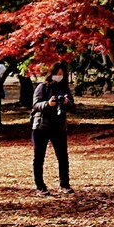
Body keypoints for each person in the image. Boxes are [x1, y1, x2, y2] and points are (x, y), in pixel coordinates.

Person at [31, 62, 76, 194]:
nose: (59, 76)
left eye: (61, 74)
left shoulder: (65, 89)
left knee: (62, 157)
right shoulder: (42, 87)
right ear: (51, 73)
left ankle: (64, 184)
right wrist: (48, 104)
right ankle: (40, 186)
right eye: (57, 74)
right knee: (39, 157)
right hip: (41, 126)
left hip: (59, 127)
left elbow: (73, 107)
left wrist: (67, 103)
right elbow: (35, 104)